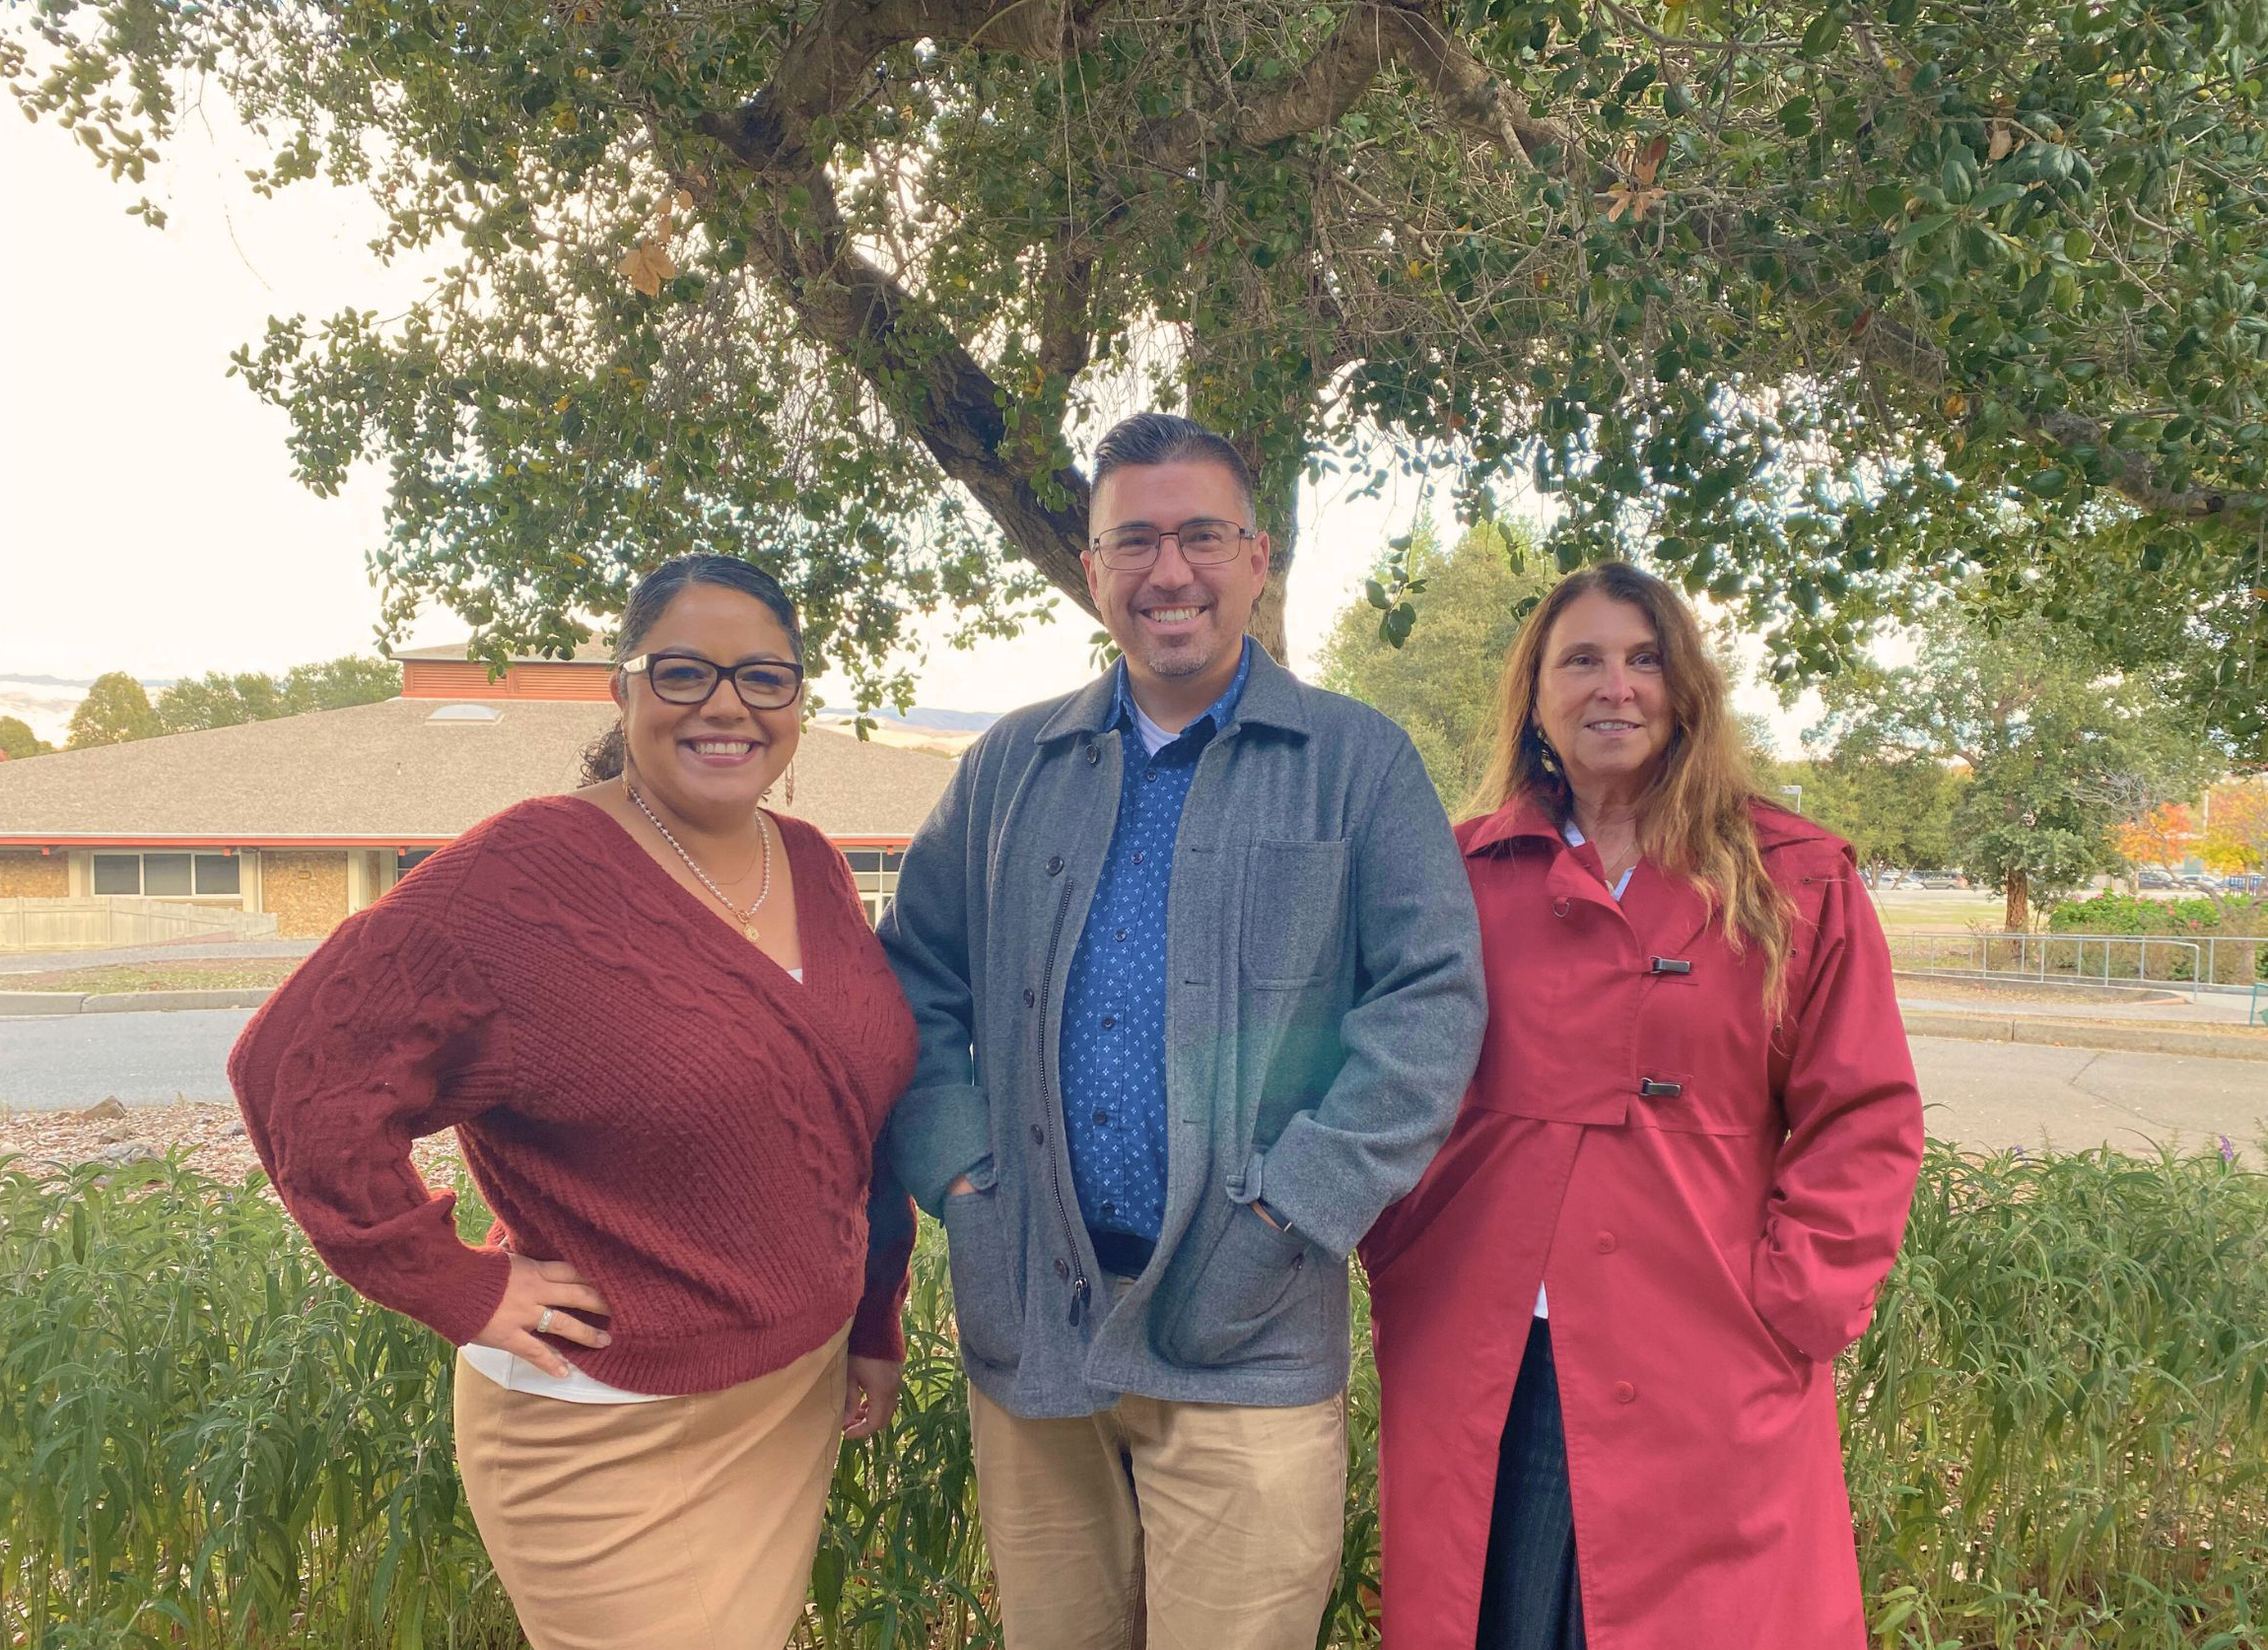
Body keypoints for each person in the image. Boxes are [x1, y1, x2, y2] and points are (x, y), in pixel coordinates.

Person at [230, 554, 918, 1650]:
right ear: (623, 686)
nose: (727, 705)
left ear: (798, 699)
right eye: (684, 672)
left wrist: (874, 1316)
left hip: (789, 1398)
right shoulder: (519, 879)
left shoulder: (812, 864)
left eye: (764, 677)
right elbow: (296, 1077)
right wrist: (452, 1280)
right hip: (602, 1425)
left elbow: (857, 1128)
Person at [880, 412, 1486, 1650]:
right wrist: (961, 1179)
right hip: (1034, 1321)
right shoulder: (1009, 765)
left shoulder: (1356, 764)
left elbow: (1431, 1002)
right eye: (1135, 541)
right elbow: (914, 978)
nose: (1172, 572)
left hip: (1246, 1332)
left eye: (1203, 534)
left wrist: (1292, 1212)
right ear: (1093, 567)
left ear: (1258, 555)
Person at [1360, 561, 1926, 1650]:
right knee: (1493, 1615)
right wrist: (1396, 1237)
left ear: (1685, 689)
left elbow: (1866, 1112)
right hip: (1485, 1343)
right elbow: (1373, 1063)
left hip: (1708, 1346)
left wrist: (1796, 1303)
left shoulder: (1791, 877)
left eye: (1643, 658)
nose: (1613, 686)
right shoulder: (1456, 873)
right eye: (1580, 661)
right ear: (1534, 696)